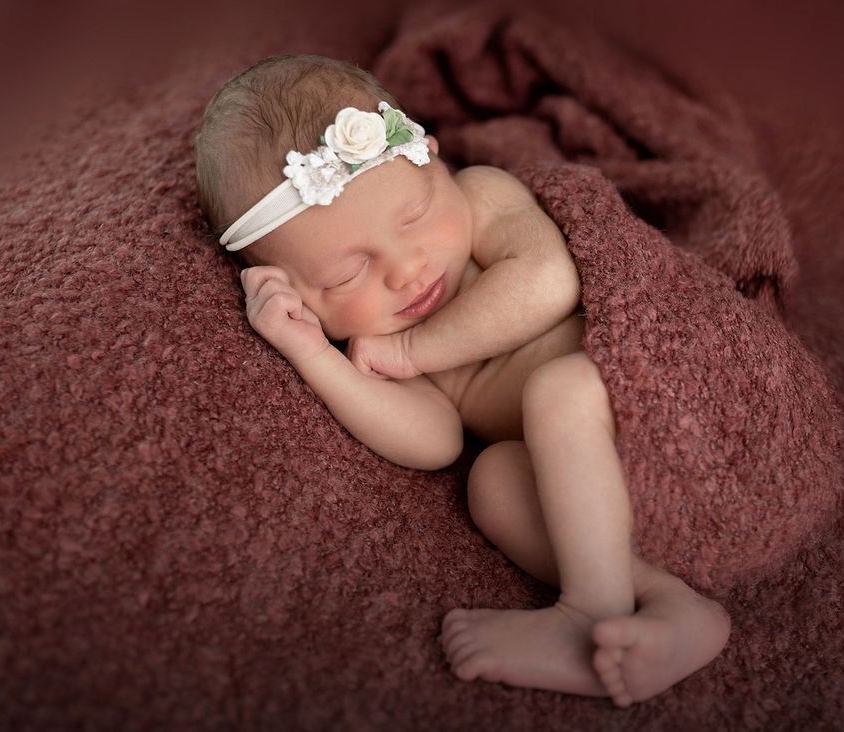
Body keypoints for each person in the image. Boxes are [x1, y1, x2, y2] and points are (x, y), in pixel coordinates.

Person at [195, 54, 730, 706]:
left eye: (414, 217)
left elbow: (550, 282)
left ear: (433, 158)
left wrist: (418, 347)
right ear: (307, 299)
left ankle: (586, 610)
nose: (405, 269)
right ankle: (669, 606)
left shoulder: (481, 199)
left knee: (560, 389)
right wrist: (312, 353)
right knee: (493, 481)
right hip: (624, 486)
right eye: (345, 276)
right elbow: (435, 441)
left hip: (687, 396)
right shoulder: (372, 346)